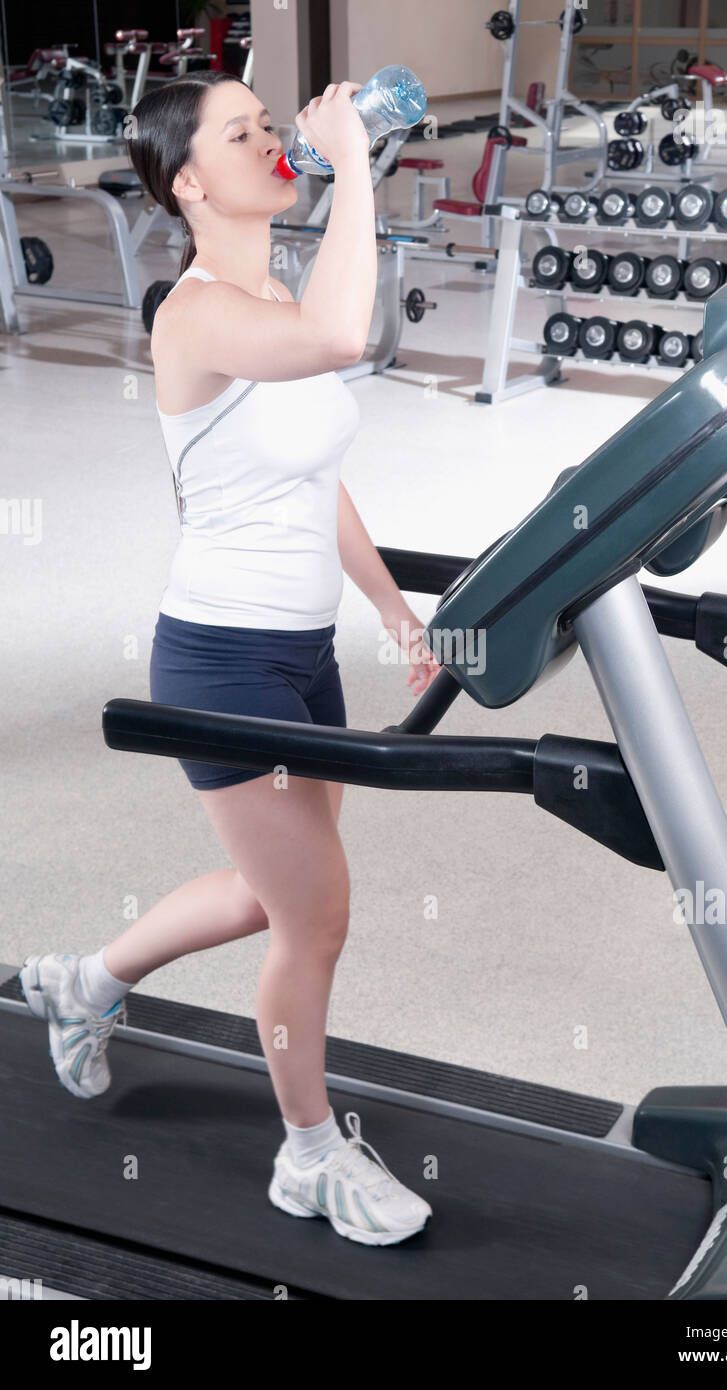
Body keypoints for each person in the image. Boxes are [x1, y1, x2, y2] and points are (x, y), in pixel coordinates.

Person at [20, 71, 441, 1247]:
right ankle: (308, 1156)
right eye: (243, 131)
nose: (271, 138)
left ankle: (85, 978)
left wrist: (393, 611)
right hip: (218, 664)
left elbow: (315, 469)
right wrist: (355, 161)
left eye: (275, 124)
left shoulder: (272, 285)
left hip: (302, 654)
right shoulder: (196, 312)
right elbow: (341, 335)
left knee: (276, 896)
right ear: (193, 181)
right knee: (317, 921)